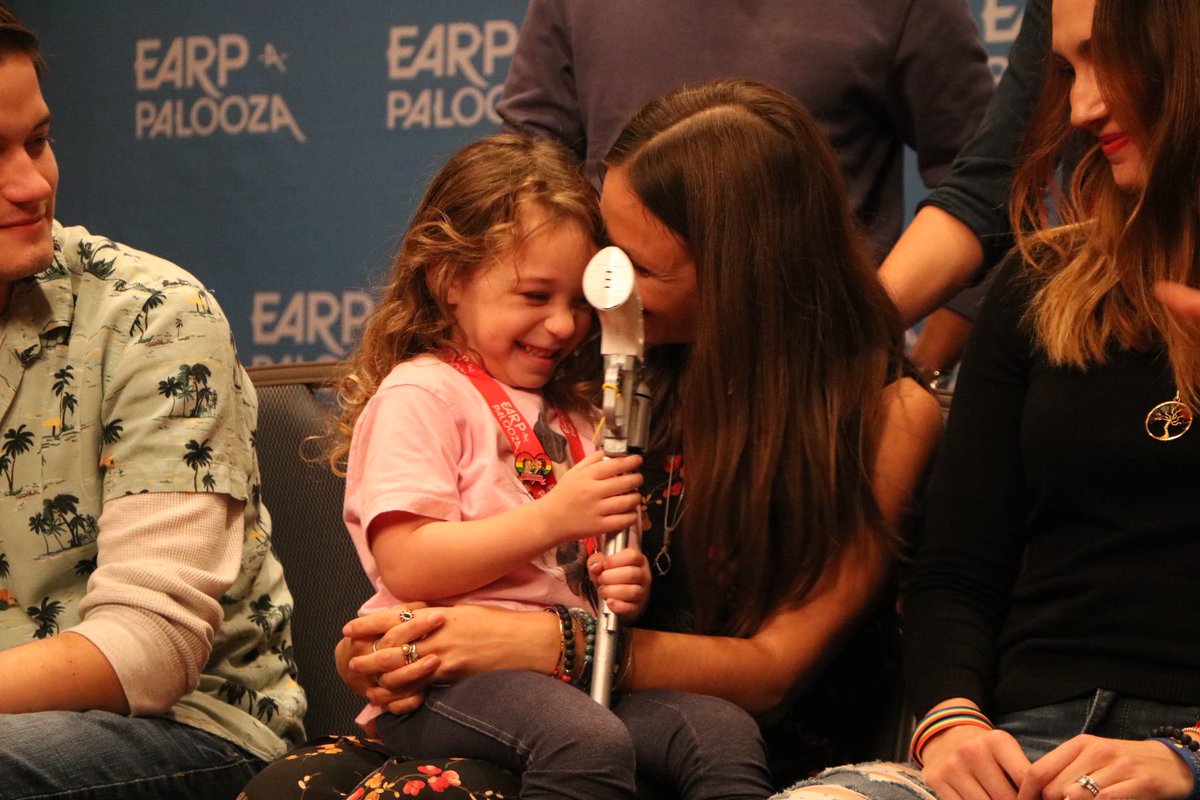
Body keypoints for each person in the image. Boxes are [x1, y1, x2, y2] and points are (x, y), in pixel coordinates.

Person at [241, 79, 943, 799]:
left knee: (650, 744)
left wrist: (559, 637)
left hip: (698, 729)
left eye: (638, 268)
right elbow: (418, 563)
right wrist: (381, 651)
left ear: (739, 272)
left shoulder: (884, 414)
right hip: (539, 708)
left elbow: (771, 670)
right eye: (607, 256)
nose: (604, 296)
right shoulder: (614, 369)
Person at [775, 1, 1200, 800]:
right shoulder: (1039, 287)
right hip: (1023, 752)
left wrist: (1186, 757)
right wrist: (953, 724)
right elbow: (957, 574)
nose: (1081, 107)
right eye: (1069, 71)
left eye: (1107, 59)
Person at [334, 130, 778, 799]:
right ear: (449, 279)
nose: (566, 325)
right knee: (586, 740)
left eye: (578, 301)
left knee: (720, 733)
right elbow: (408, 563)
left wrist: (620, 577)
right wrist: (551, 517)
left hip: (570, 666)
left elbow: (584, 564)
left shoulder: (575, 410)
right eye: (536, 296)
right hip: (440, 681)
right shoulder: (420, 395)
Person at [0, 8, 305, 800]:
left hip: (191, 728)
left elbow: (149, 650)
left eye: (36, 140)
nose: (32, 183)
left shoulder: (154, 315)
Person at [496, 0, 994, 262]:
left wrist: (917, 363)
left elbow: (989, 183)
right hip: (614, 376)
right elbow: (526, 172)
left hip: (821, 390)